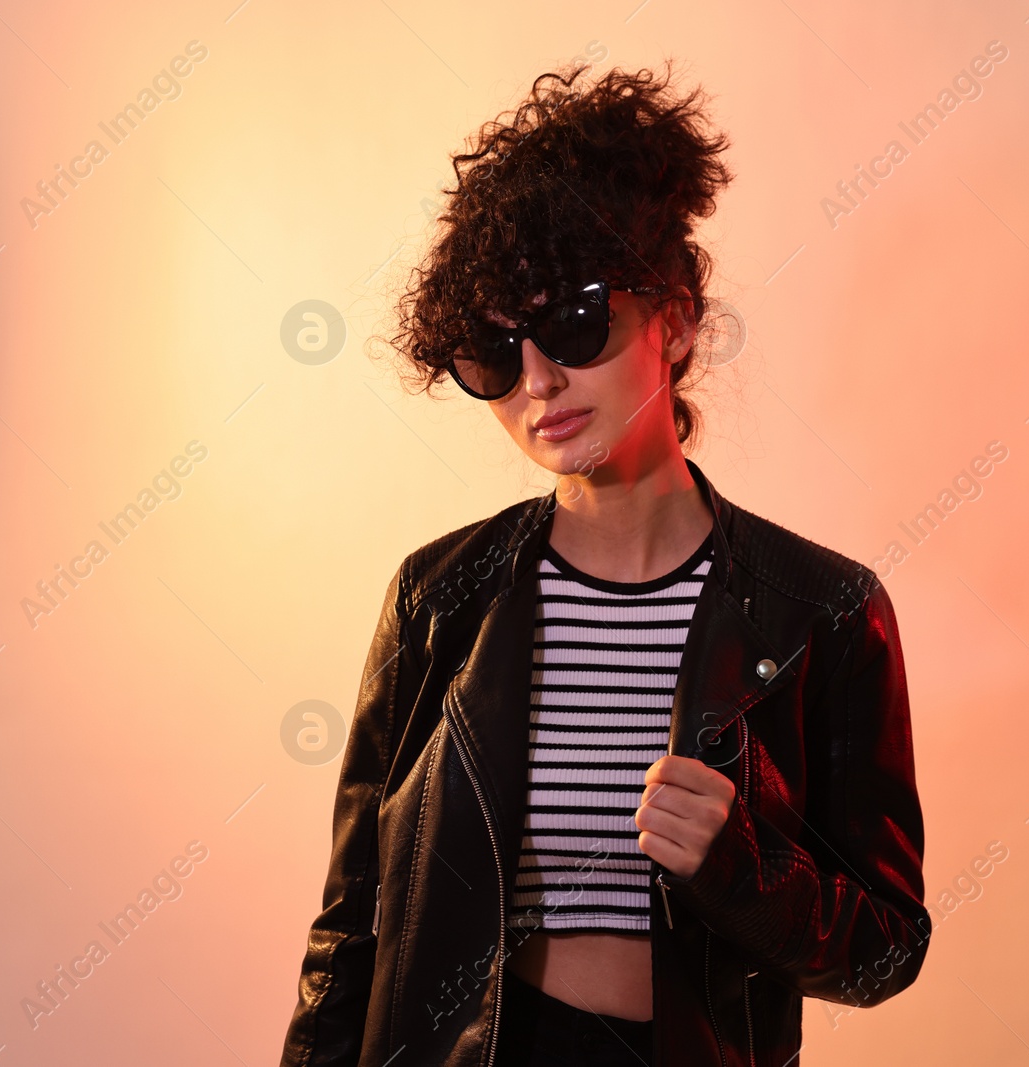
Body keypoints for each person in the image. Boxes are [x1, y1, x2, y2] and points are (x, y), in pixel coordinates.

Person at [280, 63, 930, 1067]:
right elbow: (351, 923)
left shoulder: (822, 610)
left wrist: (743, 866)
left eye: (574, 323)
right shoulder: (438, 599)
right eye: (494, 354)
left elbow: (883, 950)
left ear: (672, 320)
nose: (538, 379)